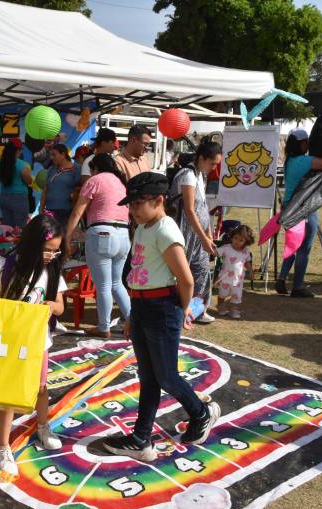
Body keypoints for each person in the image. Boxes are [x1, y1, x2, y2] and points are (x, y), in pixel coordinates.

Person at [103, 173, 219, 461]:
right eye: (130, 204)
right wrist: (131, 316)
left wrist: (181, 312)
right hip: (142, 308)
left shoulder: (166, 230)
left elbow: (187, 279)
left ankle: (201, 413)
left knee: (166, 376)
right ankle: (141, 438)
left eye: (138, 203)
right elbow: (139, 275)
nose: (132, 210)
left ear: (159, 201)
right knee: (149, 376)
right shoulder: (143, 227)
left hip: (163, 309)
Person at [0, 214, 67, 476]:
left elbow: (61, 306)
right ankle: (3, 446)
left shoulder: (52, 270)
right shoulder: (6, 265)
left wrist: (51, 306)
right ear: (32, 244)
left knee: (41, 388)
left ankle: (43, 425)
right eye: (47, 250)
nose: (51, 255)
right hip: (10, 343)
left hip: (39, 341)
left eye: (56, 251)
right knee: (9, 393)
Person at [64, 154, 131, 338]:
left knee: (103, 285)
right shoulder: (120, 182)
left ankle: (103, 326)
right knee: (117, 283)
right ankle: (134, 321)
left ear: (95, 169)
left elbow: (78, 212)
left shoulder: (95, 180)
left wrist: (67, 238)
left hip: (102, 233)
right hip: (123, 234)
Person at [275, 128, 322, 297]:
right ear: (301, 144)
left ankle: (282, 279)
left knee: (292, 245)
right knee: (304, 248)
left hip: (289, 207)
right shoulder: (305, 161)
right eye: (306, 143)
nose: (308, 145)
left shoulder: (290, 161)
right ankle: (297, 287)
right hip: (303, 208)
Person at [171, 141, 222, 324]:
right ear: (202, 158)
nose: (214, 168)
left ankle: (197, 310)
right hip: (184, 233)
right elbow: (190, 210)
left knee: (201, 271)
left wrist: (208, 233)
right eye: (213, 163)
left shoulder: (200, 175)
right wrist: (204, 238)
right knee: (181, 274)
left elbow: (203, 208)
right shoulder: (188, 175)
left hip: (197, 234)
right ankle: (180, 311)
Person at [215, 225, 254, 319]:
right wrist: (209, 247)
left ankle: (234, 310)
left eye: (241, 240)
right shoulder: (226, 248)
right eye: (235, 238)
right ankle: (221, 307)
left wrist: (250, 271)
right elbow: (215, 252)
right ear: (232, 237)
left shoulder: (245, 252)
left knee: (236, 297)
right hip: (225, 278)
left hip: (238, 281)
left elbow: (248, 262)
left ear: (246, 242)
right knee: (222, 294)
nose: (237, 241)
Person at [40, 144, 80, 229]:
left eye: (54, 155)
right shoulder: (52, 169)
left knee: (63, 238)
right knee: (50, 238)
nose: (52, 157)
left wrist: (73, 197)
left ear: (63, 154)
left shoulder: (76, 168)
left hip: (66, 211)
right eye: (51, 155)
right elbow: (45, 189)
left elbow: (81, 188)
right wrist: (41, 209)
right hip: (49, 211)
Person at [0, 139, 33, 228]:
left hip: (4, 197)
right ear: (17, 150)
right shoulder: (22, 164)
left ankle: (9, 242)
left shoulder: (0, 163)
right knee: (20, 228)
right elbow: (29, 180)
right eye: (20, 150)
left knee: (8, 228)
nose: (21, 152)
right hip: (19, 198)